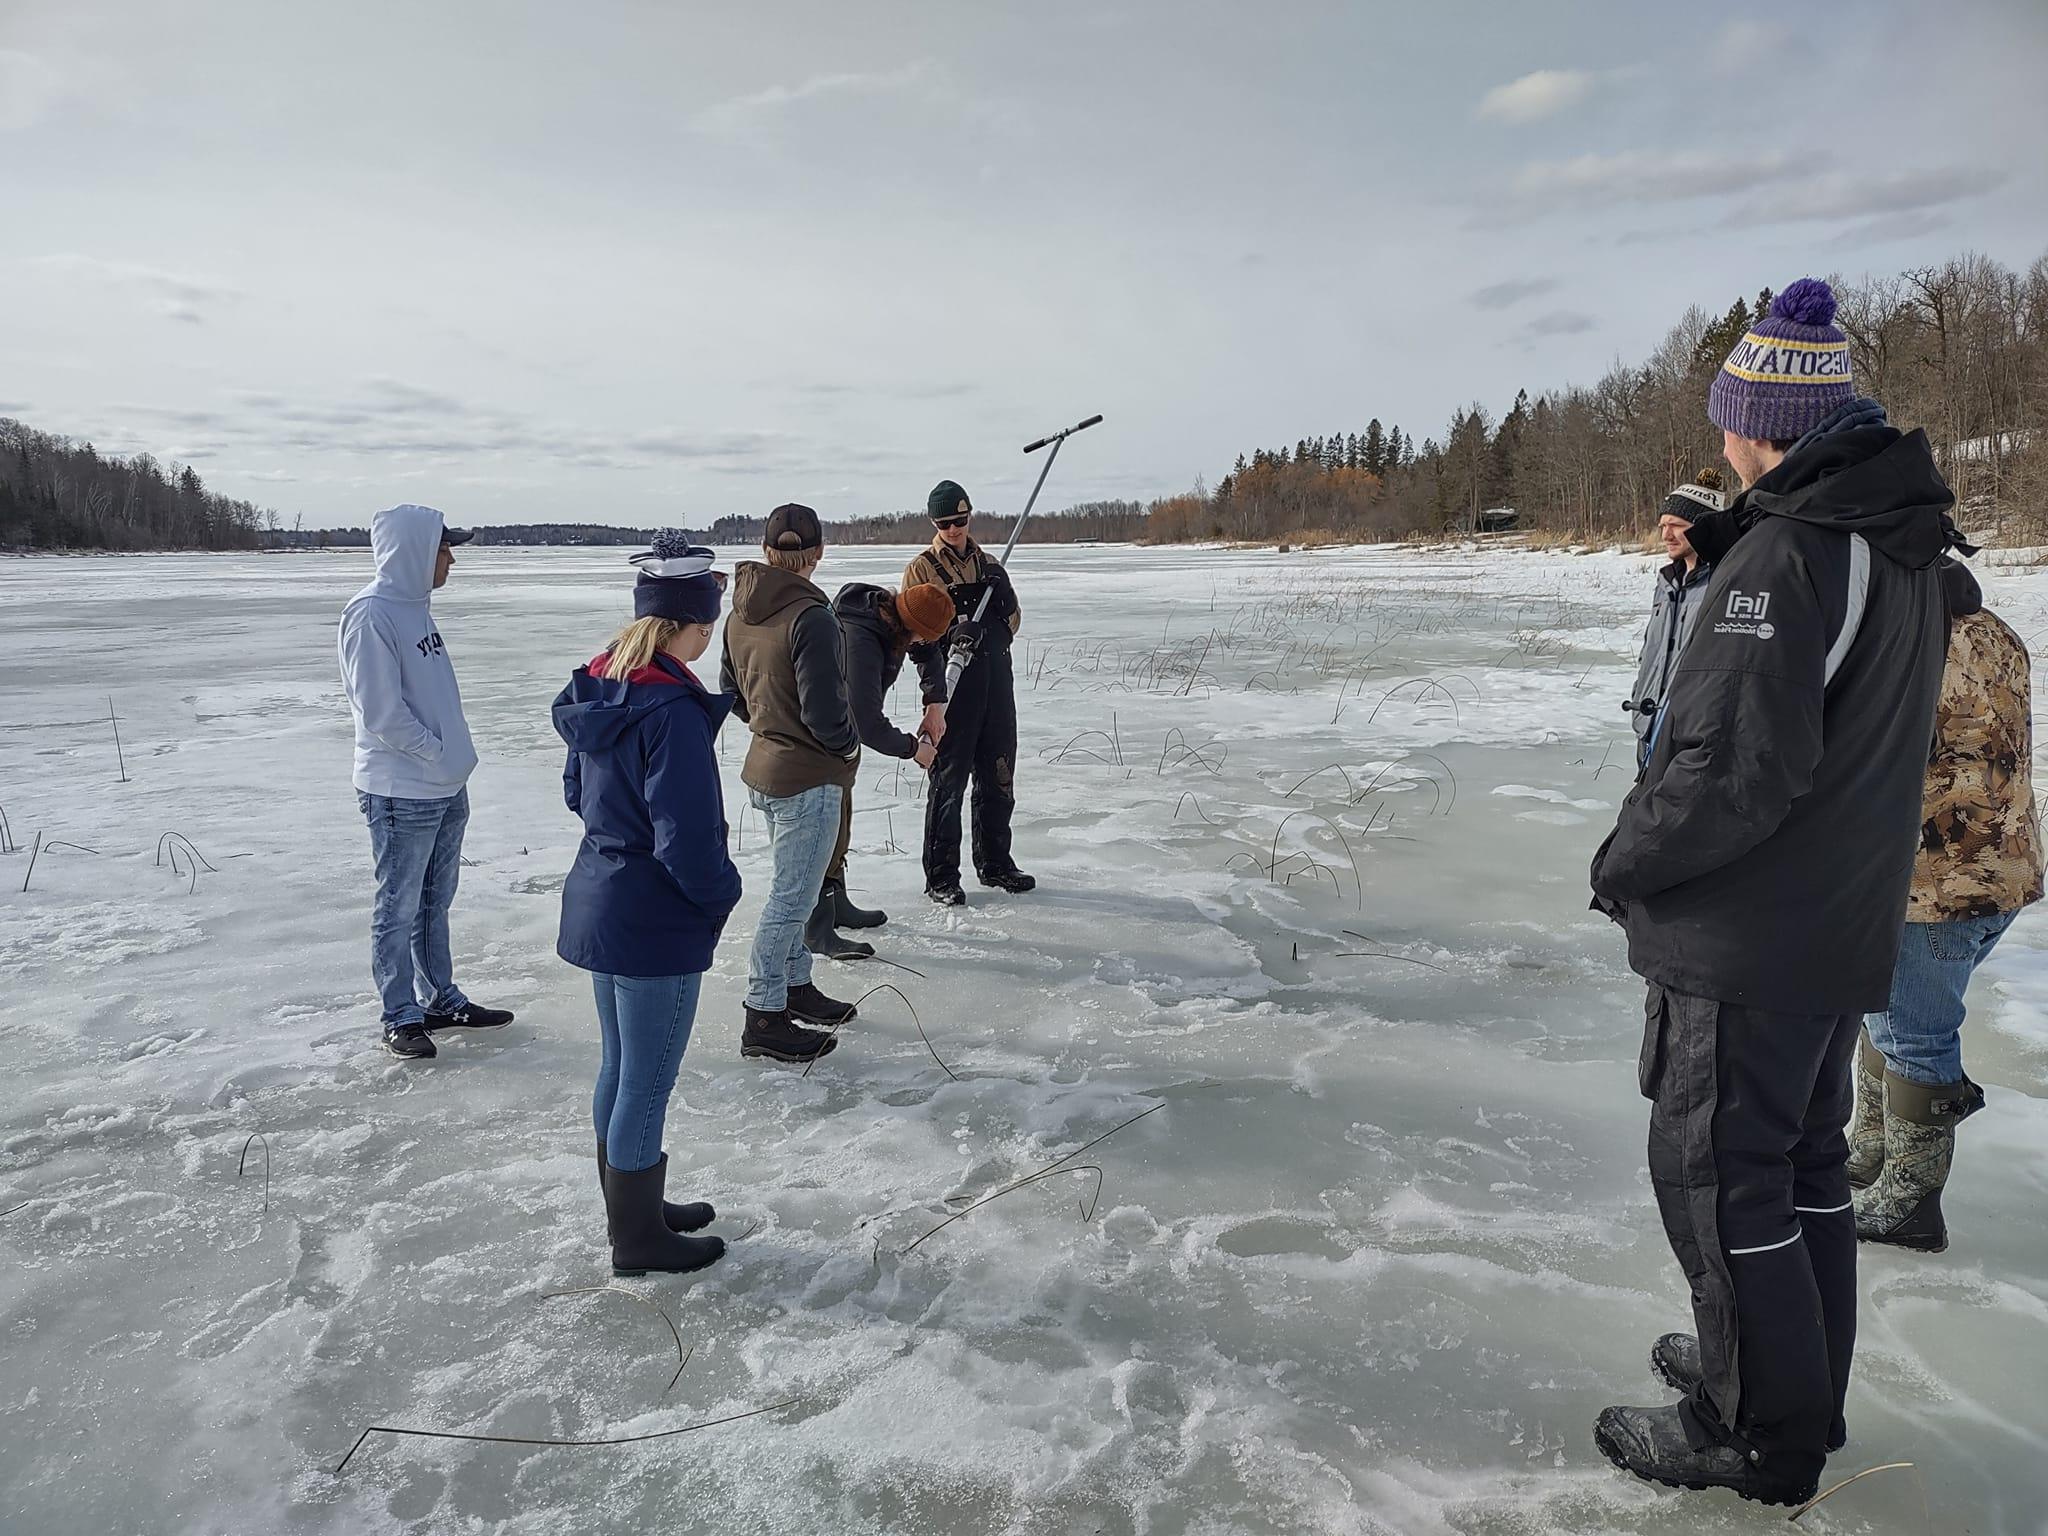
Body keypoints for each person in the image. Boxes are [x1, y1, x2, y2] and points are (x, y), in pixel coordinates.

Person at [1588, 279, 1964, 1507]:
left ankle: (1755, 1434)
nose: (1720, 445)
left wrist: (1621, 862)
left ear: (1761, 426)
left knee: (1718, 1174)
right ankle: (1784, 1378)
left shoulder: (1797, 554)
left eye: (1729, 423)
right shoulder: (1892, 544)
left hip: (1749, 938)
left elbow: (1725, 770)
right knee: (1797, 1165)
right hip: (1833, 919)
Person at [552, 536, 737, 1276]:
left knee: (620, 1068)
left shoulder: (601, 686)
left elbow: (577, 793)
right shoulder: (671, 712)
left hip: (602, 899)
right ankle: (637, 1239)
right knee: (647, 1078)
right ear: (683, 624)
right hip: (653, 920)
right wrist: (721, 895)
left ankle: (632, 1209)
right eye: (707, 627)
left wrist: (617, 837)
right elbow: (686, 840)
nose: (709, 639)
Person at [1851, 559, 2042, 1253]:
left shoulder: (1915, 644)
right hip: (2003, 871)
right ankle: (1871, 1154)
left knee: (1914, 1033)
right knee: (1887, 1009)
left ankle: (1909, 1204)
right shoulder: (1999, 633)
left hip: (1935, 883)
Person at [336, 504, 514, 1060]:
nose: (452, 559)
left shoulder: (415, 610)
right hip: (401, 791)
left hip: (442, 785)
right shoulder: (371, 616)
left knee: (434, 902)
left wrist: (451, 762)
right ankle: (398, 1013)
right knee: (398, 905)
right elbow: (382, 715)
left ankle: (439, 998)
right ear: (416, 552)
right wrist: (437, 755)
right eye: (444, 549)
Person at [720, 504, 859, 1064]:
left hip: (766, 768)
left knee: (793, 887)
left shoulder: (739, 613)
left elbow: (731, 694)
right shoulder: (812, 616)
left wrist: (771, 726)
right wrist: (848, 745)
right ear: (819, 552)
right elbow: (827, 715)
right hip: (807, 778)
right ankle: (764, 1013)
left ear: (767, 550)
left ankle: (795, 987)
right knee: (791, 897)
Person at [804, 581, 957, 960]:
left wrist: (935, 701)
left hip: (839, 741)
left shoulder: (893, 618)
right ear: (910, 624)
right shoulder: (862, 641)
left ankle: (836, 903)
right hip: (817, 740)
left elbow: (929, 651)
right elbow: (865, 721)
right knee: (824, 829)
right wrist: (914, 750)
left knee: (841, 822)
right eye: (922, 636)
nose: (922, 644)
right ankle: (817, 927)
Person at [906, 480, 1033, 905]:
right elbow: (913, 633)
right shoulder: (922, 569)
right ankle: (941, 876)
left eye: (960, 520)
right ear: (934, 523)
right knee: (949, 782)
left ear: (969, 516)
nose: (954, 528)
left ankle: (996, 863)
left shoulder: (991, 565)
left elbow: (1013, 625)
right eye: (945, 522)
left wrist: (1004, 601)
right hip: (952, 689)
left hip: (997, 684)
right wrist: (949, 634)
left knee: (999, 775)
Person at [1627, 469, 1726, 766]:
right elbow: (1652, 651)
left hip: (1691, 735)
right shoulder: (1667, 581)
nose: (1665, 535)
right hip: (1649, 727)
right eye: (1662, 525)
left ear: (1704, 528)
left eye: (1676, 526)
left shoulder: (1725, 580)